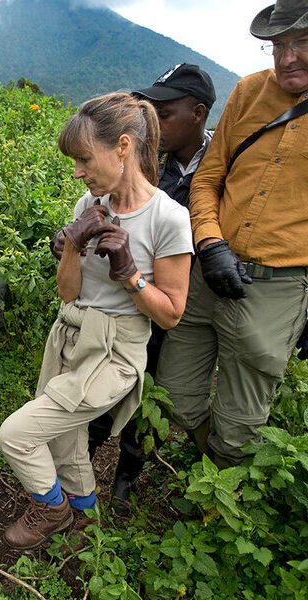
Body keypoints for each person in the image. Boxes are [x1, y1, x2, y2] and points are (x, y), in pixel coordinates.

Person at [0, 92, 194, 550]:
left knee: (17, 435)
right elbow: (68, 291)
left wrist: (130, 273)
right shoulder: (89, 203)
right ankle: (86, 525)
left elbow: (171, 313)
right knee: (66, 442)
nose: (78, 172)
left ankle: (53, 508)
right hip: (70, 333)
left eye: (84, 159)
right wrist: (73, 243)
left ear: (122, 146)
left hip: (116, 350)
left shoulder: (168, 217)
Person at [155, 0, 308, 469]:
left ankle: (221, 487)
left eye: (302, 42)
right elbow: (208, 178)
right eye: (278, 45)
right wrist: (210, 241)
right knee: (174, 396)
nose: (286, 58)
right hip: (210, 269)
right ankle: (212, 460)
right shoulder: (249, 91)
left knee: (240, 423)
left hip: (276, 285)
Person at [86, 64, 217, 512]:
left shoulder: (222, 165)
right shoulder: (149, 163)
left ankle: (127, 475)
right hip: (131, 299)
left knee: (154, 390)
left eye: (165, 113)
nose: (154, 123)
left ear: (198, 114)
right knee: (105, 383)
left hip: (180, 300)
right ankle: (81, 464)